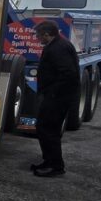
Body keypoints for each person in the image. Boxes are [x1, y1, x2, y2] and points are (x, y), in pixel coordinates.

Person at [30, 19, 81, 177]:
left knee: (48, 130)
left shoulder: (58, 48)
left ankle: (56, 166)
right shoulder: (56, 45)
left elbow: (68, 74)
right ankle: (49, 161)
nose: (37, 39)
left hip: (57, 98)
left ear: (46, 34)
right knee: (44, 128)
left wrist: (52, 94)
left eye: (39, 35)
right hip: (56, 96)